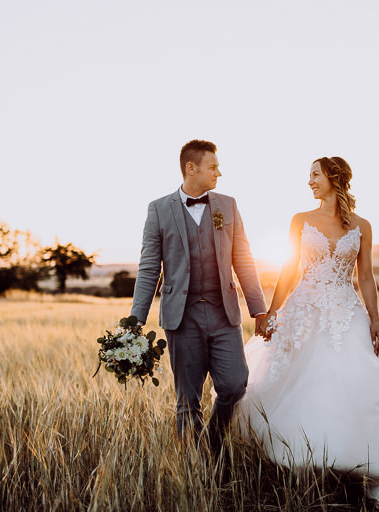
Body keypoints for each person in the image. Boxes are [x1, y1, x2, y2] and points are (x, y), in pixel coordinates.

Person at [236, 156, 379, 506]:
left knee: (356, 383)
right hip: (305, 310)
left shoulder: (363, 226)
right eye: (309, 176)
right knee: (302, 384)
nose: (309, 181)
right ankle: (304, 464)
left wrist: (374, 320)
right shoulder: (301, 220)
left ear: (333, 178)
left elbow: (365, 277)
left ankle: (365, 464)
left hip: (346, 312)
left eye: (315, 175)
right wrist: (274, 311)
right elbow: (290, 268)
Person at [130, 139, 268, 451]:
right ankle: (196, 469)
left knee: (234, 384)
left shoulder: (227, 205)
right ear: (191, 169)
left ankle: (213, 441)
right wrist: (135, 320)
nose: (219, 172)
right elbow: (149, 267)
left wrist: (258, 309)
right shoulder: (158, 209)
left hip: (224, 316)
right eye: (213, 167)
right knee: (187, 400)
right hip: (182, 318)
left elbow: (243, 258)